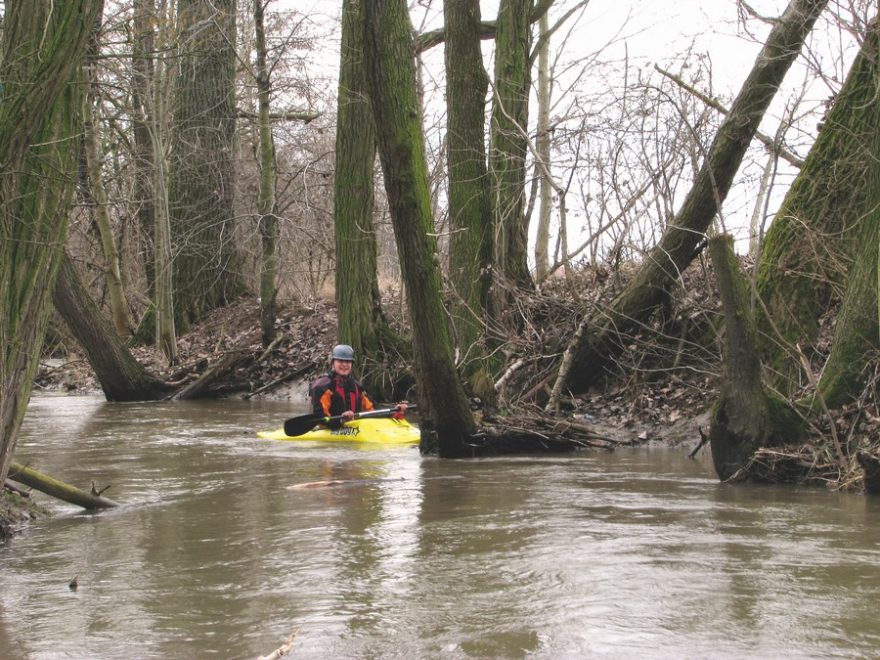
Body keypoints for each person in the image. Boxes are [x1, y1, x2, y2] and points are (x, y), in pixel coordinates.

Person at [309, 344, 407, 427]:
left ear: (351, 364)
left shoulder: (356, 386)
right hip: (329, 429)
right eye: (340, 361)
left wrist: (394, 411)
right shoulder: (322, 386)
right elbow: (320, 418)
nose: (344, 365)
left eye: (347, 362)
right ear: (332, 364)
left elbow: (373, 408)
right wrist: (340, 421)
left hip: (353, 427)